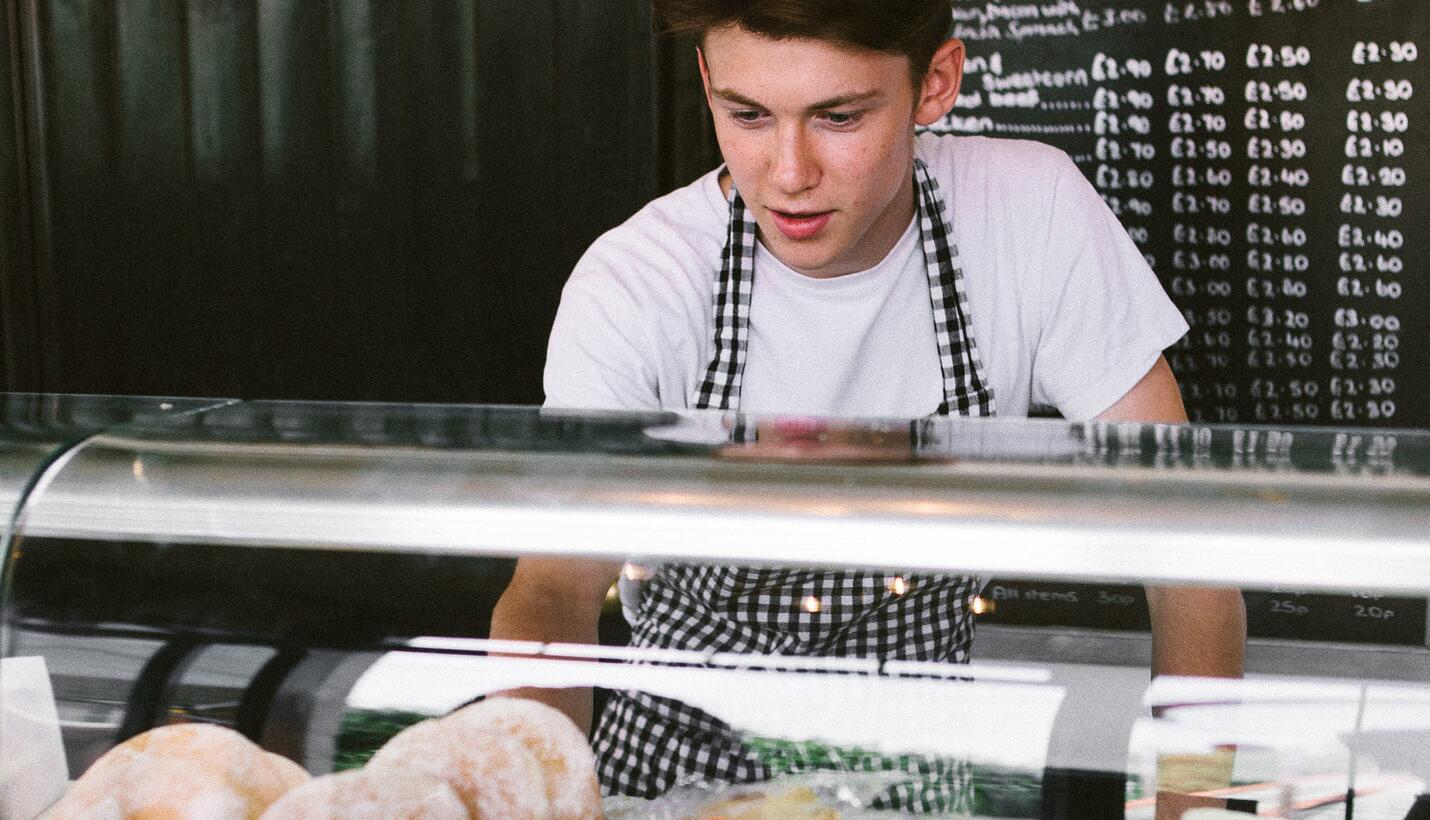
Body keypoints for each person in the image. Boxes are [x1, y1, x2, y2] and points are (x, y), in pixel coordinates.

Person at [490, 0, 1246, 804]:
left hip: (909, 769)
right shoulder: (638, 281)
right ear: (706, 80)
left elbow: (1186, 552)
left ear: (936, 84)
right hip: (676, 775)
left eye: (839, 117)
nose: (788, 172)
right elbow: (554, 593)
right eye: (746, 115)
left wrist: (1189, 803)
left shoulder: (1031, 215)